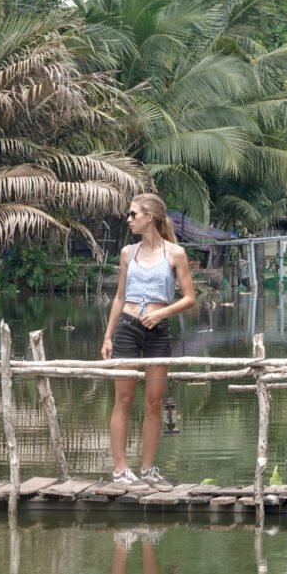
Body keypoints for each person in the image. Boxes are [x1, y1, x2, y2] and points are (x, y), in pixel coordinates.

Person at [101, 193, 195, 490]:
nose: (128, 220)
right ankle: (120, 470)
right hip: (127, 327)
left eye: (133, 214)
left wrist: (162, 313)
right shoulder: (128, 252)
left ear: (149, 217)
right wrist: (107, 335)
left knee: (154, 402)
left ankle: (148, 470)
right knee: (124, 398)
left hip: (158, 331)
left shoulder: (175, 253)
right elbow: (119, 297)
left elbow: (190, 298)